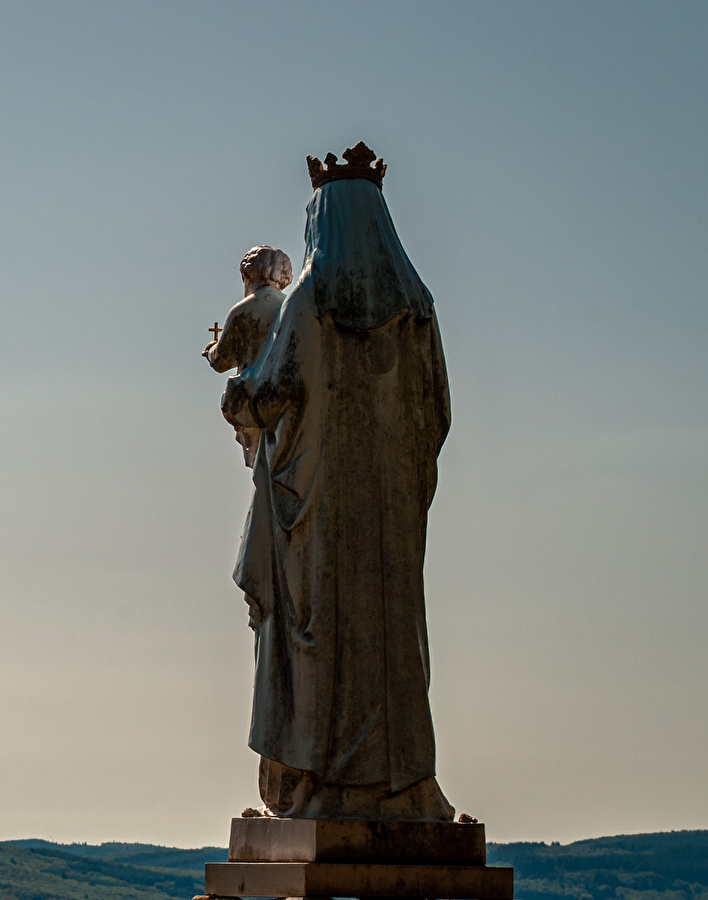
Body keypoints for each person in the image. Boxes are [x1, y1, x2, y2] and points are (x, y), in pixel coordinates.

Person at [221, 143, 455, 821]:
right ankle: (404, 785)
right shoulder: (417, 304)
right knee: (394, 644)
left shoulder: (311, 298)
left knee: (311, 643)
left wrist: (236, 391)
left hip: (316, 519)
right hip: (389, 522)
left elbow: (267, 395)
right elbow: (436, 412)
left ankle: (315, 786)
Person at [203, 246, 293, 466]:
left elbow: (222, 360)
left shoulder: (243, 310)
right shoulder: (290, 306)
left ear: (248, 275)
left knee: (261, 463)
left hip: (253, 399)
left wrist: (210, 351)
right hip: (286, 398)